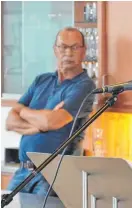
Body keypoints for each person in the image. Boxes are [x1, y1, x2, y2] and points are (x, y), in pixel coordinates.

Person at [6, 27, 96, 196]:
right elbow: (10, 121)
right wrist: (39, 126)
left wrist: (23, 111)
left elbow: (52, 122)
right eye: (63, 47)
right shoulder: (41, 80)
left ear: (84, 52)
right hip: (24, 171)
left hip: (53, 175)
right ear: (55, 50)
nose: (68, 52)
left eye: (75, 47)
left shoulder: (85, 86)